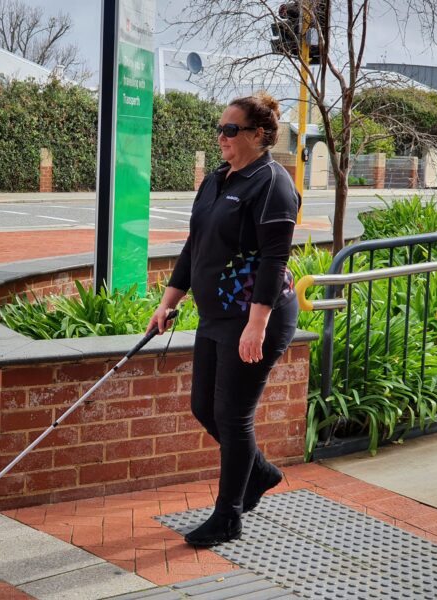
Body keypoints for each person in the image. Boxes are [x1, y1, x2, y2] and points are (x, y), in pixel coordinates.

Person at [146, 92, 300, 547]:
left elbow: (274, 259)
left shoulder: (272, 183)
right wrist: (169, 301)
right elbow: (196, 247)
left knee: (232, 417)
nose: (221, 137)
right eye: (220, 128)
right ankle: (261, 472)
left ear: (257, 135)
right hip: (216, 315)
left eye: (231, 130)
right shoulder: (217, 179)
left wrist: (258, 325)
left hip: (254, 315)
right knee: (203, 407)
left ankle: (228, 516)